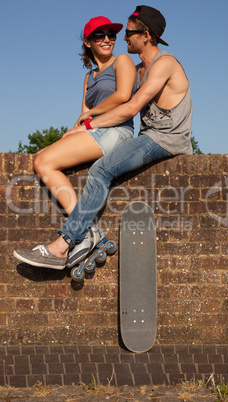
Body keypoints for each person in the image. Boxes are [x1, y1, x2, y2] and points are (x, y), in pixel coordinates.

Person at [14, 5, 193, 270]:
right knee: (45, 158)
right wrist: (81, 126)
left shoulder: (164, 63)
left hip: (167, 139)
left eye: (128, 33)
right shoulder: (139, 70)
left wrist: (88, 125)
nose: (122, 38)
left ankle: (63, 245)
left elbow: (129, 106)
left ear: (145, 35)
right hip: (149, 136)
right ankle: (81, 236)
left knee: (100, 171)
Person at [33, 16, 136, 216]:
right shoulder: (89, 77)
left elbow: (123, 96)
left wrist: (91, 112)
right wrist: (68, 135)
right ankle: (81, 225)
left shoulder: (122, 61)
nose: (107, 39)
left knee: (44, 162)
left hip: (116, 130)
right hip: (94, 131)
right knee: (41, 157)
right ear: (88, 42)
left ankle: (81, 226)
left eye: (111, 35)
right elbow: (83, 115)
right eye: (100, 35)